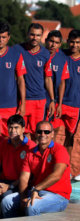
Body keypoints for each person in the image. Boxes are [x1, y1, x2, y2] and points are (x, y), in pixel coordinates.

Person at [1, 121, 71, 218]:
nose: (43, 134)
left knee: (32, 206)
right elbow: (24, 178)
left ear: (52, 134)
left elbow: (56, 175)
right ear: (35, 134)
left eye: (46, 132)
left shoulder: (59, 150)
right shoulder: (30, 153)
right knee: (7, 201)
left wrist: (36, 189)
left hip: (58, 196)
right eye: (39, 131)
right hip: (37, 192)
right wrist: (23, 198)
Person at [14, 23, 55, 140]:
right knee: (21, 132)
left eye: (38, 35)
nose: (34, 38)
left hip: (40, 100)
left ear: (41, 36)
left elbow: (48, 78)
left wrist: (52, 99)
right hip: (23, 99)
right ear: (27, 34)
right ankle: (23, 158)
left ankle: (34, 158)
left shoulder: (45, 53)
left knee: (37, 134)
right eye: (32, 34)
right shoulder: (17, 50)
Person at [44, 30, 70, 143]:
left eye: (56, 42)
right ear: (46, 41)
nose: (53, 45)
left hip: (54, 101)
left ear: (60, 44)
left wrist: (59, 104)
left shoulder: (63, 58)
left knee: (53, 131)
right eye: (51, 41)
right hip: (40, 99)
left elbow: (62, 83)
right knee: (38, 130)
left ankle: (49, 158)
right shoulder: (38, 54)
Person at [61, 29, 80, 179]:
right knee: (55, 136)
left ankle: (67, 169)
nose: (74, 45)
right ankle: (54, 166)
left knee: (71, 138)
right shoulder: (61, 56)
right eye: (72, 42)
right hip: (61, 103)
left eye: (77, 42)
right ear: (68, 42)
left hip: (76, 105)